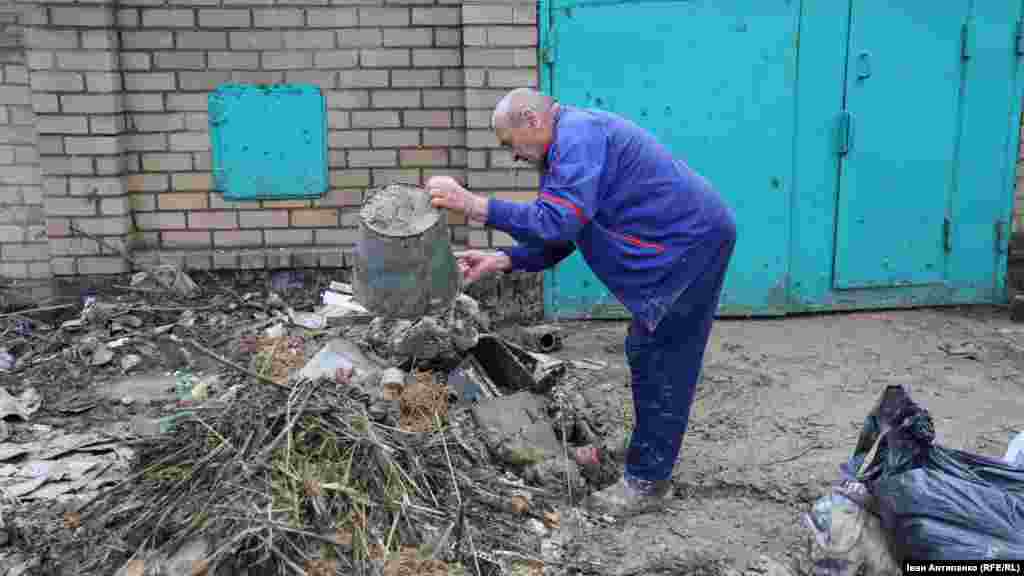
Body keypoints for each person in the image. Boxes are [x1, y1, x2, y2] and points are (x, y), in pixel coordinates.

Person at [427, 87, 737, 517]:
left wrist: (474, 205)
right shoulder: (567, 147)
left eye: (508, 143)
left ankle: (648, 481)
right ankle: (650, 452)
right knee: (648, 350)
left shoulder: (578, 136)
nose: (513, 156)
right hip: (680, 243)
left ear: (532, 121)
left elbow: (558, 221)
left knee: (662, 355)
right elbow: (566, 232)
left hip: (689, 246)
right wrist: (503, 259)